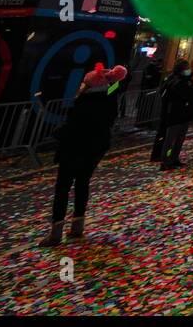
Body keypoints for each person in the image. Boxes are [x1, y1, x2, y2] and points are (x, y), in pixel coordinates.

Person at [38, 64, 127, 246]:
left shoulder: (86, 102)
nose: (81, 85)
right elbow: (120, 84)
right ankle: (77, 226)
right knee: (82, 183)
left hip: (75, 148)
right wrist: (111, 76)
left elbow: (75, 127)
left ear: (90, 85)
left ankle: (56, 232)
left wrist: (58, 133)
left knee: (63, 188)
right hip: (96, 148)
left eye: (84, 83)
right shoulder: (109, 98)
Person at [160, 61, 193, 170]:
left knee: (180, 138)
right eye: (187, 68)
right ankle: (166, 160)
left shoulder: (189, 81)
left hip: (185, 114)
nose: (189, 69)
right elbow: (170, 97)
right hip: (175, 114)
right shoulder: (174, 82)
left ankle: (174, 158)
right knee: (170, 139)